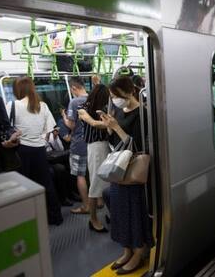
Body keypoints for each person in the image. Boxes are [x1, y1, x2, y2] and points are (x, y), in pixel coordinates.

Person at [99, 76, 154, 275]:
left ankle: (139, 252)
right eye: (112, 96)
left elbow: (138, 146)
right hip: (119, 169)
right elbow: (117, 140)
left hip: (132, 169)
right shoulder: (120, 111)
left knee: (133, 213)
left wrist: (116, 127)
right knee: (120, 211)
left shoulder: (143, 114)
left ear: (129, 92)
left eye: (116, 95)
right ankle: (127, 250)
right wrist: (109, 128)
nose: (114, 99)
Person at [9, 76, 63, 225]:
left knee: (24, 186)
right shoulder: (43, 106)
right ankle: (55, 217)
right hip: (39, 149)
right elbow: (50, 130)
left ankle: (28, 220)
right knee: (46, 183)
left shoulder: (13, 105)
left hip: (22, 150)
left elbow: (7, 128)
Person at [77, 84, 110, 232]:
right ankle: (93, 219)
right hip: (96, 147)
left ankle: (110, 214)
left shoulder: (106, 108)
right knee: (96, 184)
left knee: (110, 182)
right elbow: (94, 124)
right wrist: (110, 123)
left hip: (108, 146)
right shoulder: (83, 109)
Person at [62, 76, 89, 214]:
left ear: (73, 88)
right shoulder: (92, 98)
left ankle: (86, 206)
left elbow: (72, 125)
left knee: (80, 175)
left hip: (79, 144)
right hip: (93, 142)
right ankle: (100, 201)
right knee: (94, 174)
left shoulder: (74, 102)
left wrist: (64, 118)